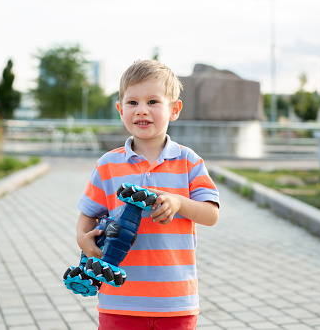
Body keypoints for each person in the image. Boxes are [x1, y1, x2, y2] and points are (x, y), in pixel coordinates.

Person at [76, 59, 220, 330]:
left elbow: (211, 214)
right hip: (119, 301)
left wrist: (177, 202)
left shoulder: (188, 161)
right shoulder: (108, 165)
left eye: (153, 102)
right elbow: (87, 216)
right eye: (133, 103)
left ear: (174, 109)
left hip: (175, 301)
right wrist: (84, 241)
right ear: (120, 110)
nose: (142, 110)